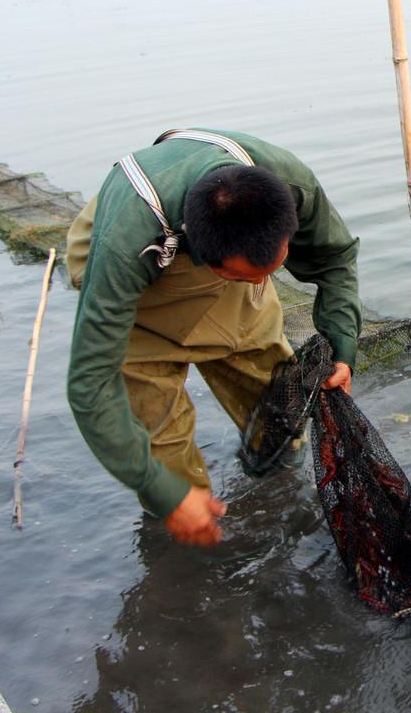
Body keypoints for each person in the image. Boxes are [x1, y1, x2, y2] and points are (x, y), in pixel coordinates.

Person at [66, 128, 361, 547]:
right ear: (206, 258)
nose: (263, 283)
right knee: (163, 452)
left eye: (270, 270)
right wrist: (164, 492)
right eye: (247, 275)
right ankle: (183, 535)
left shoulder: (288, 184)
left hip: (228, 279)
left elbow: (336, 258)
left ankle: (277, 483)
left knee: (275, 405)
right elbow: (89, 387)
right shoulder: (123, 245)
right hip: (142, 289)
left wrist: (341, 346)